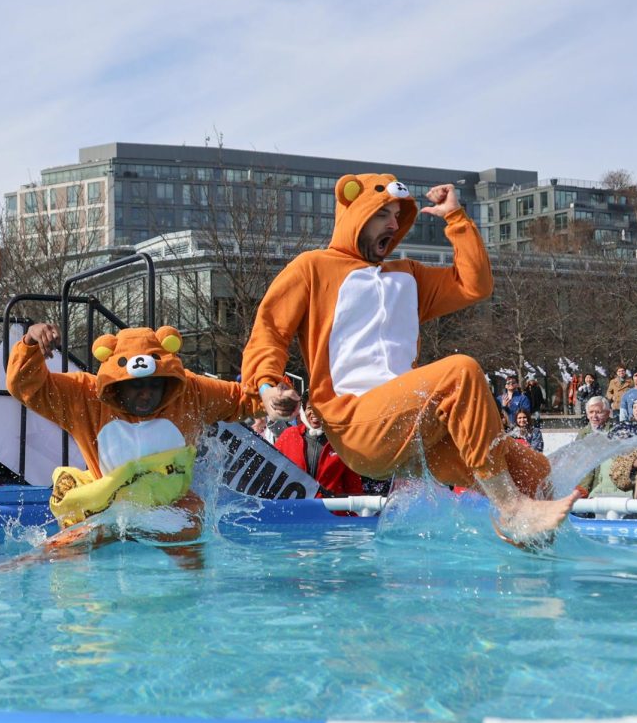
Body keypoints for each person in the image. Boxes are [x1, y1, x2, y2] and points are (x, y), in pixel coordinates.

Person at [241, 176, 577, 544]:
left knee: (532, 470)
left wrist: (456, 218)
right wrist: (267, 386)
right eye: (382, 214)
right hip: (355, 423)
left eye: (397, 215)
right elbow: (269, 329)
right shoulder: (312, 267)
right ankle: (512, 509)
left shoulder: (408, 275)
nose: (393, 224)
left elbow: (474, 284)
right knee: (460, 371)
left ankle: (533, 559)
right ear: (355, 213)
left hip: (413, 425)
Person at [7, 322, 254, 556]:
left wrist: (272, 393)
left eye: (154, 384)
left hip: (171, 506)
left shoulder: (190, 392)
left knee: (190, 549)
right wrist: (30, 342)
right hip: (104, 506)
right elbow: (25, 386)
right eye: (136, 385)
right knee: (53, 554)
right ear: (117, 384)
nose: (146, 393)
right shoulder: (85, 396)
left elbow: (241, 399)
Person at [274, 401, 363, 497]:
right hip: (294, 507)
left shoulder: (341, 441)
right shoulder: (289, 435)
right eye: (309, 408)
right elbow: (273, 470)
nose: (314, 412)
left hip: (329, 508)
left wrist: (358, 508)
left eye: (319, 408)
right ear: (303, 410)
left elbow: (353, 485)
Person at [574, 396, 625, 498]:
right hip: (585, 489)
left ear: (607, 413)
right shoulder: (583, 433)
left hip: (609, 489)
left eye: (598, 412)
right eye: (591, 412)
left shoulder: (617, 431)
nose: (594, 416)